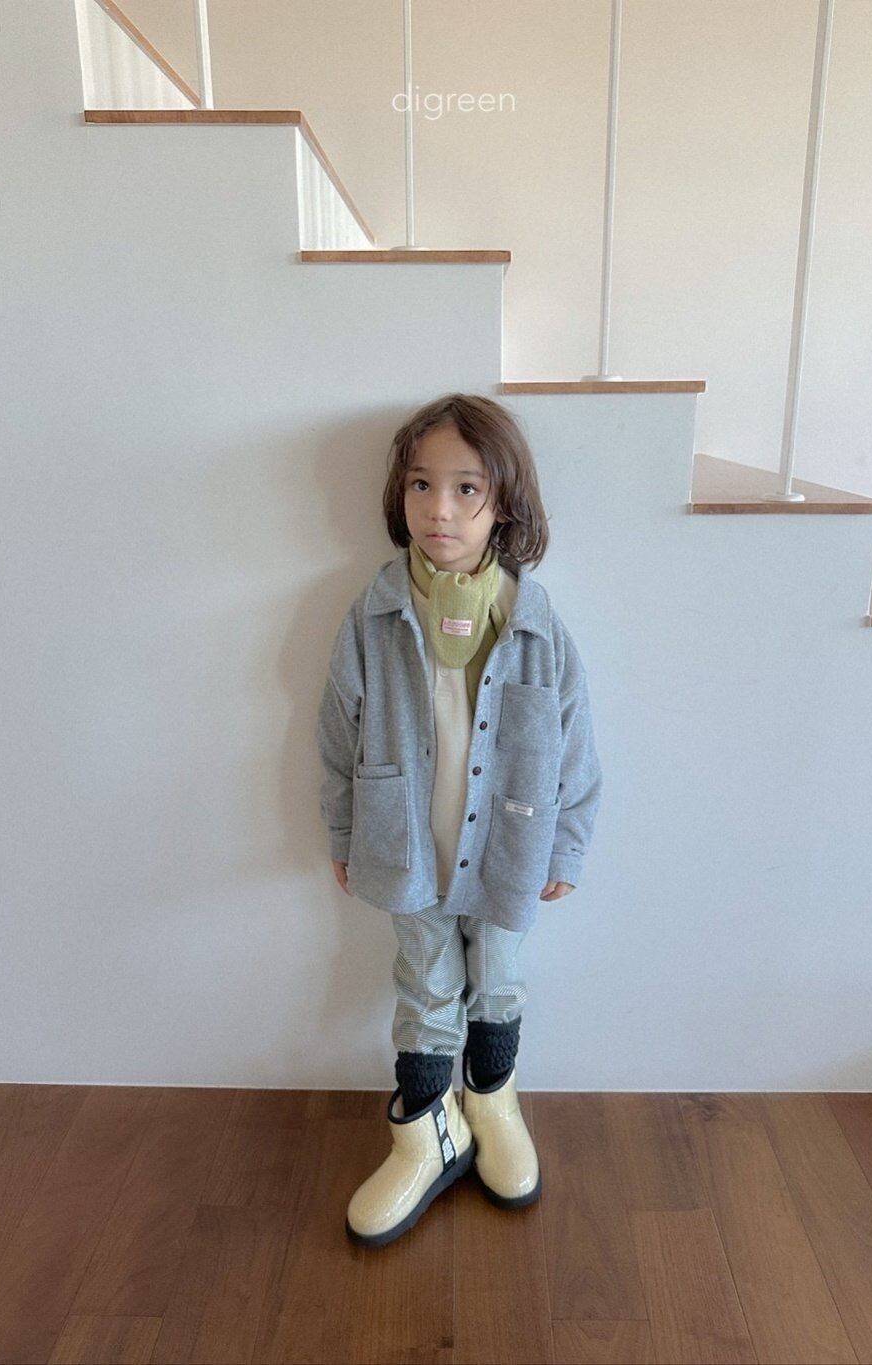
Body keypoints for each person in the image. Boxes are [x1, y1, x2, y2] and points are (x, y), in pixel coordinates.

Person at [316, 392, 603, 1247]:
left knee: (499, 978)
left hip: (510, 851)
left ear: (502, 502)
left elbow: (576, 745)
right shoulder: (373, 615)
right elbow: (336, 733)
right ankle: (426, 1131)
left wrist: (566, 847)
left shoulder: (536, 625)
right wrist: (344, 835)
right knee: (426, 987)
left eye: (466, 488)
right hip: (406, 850)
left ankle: (493, 1103)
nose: (439, 508)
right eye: (421, 484)